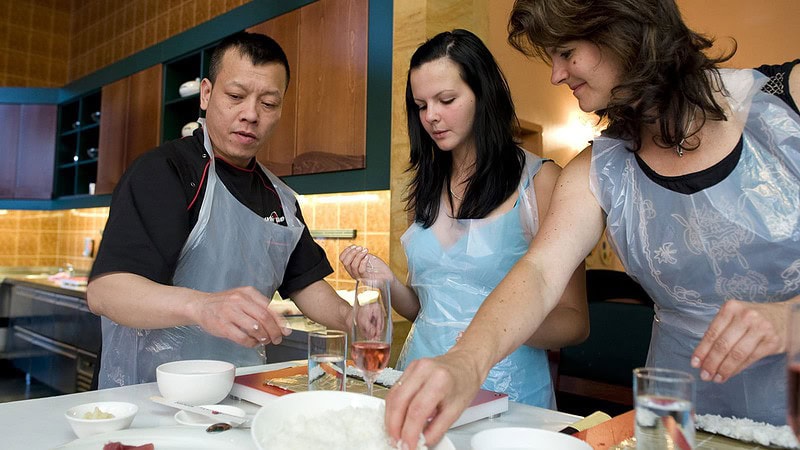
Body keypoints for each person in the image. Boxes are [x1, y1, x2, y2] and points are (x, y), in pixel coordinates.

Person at [384, 1, 800, 447]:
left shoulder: (787, 98)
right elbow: (540, 272)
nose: (555, 75)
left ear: (623, 28)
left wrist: (790, 318)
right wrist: (467, 361)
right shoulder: (597, 168)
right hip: (679, 415)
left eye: (566, 52)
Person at [87, 31, 353, 388]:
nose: (251, 115)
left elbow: (306, 284)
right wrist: (202, 306)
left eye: (268, 103)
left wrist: (352, 318)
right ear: (206, 94)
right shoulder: (163, 172)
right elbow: (105, 292)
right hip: (146, 394)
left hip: (235, 392)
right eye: (236, 96)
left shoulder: (280, 198)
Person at [339, 29, 587, 407]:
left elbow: (574, 321)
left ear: (483, 94)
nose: (431, 117)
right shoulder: (424, 188)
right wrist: (387, 281)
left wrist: (487, 333)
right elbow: (428, 309)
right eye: (421, 105)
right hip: (420, 383)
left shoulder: (541, 181)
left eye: (446, 100)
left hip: (508, 394)